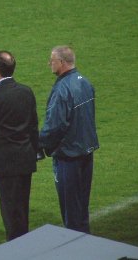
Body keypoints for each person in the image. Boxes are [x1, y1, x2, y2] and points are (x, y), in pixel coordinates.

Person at [0, 51, 39, 241]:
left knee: (11, 215)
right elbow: (33, 125)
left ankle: (17, 251)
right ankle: (24, 248)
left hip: (4, 164)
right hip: (25, 160)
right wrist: (36, 152)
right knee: (21, 211)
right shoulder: (26, 92)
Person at [39, 46, 99, 233]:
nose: (50, 63)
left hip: (68, 157)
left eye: (52, 60)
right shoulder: (85, 82)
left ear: (62, 62)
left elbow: (55, 125)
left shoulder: (62, 89)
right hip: (86, 152)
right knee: (82, 209)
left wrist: (40, 146)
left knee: (71, 212)